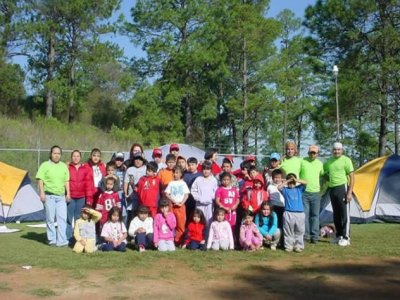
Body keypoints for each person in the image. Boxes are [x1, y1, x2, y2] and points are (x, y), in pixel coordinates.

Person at [36, 145, 70, 247]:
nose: (56, 155)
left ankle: (62, 240)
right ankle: (52, 240)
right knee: (50, 219)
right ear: (51, 154)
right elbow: (40, 179)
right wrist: (41, 193)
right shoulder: (44, 165)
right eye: (54, 153)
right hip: (49, 196)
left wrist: (68, 193)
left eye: (58, 153)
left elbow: (66, 181)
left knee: (62, 219)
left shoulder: (64, 166)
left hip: (61, 197)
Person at [324, 142, 355, 247]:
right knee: (336, 214)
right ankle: (339, 235)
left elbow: (352, 176)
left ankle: (346, 237)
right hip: (332, 189)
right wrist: (329, 180)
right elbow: (323, 173)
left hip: (342, 188)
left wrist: (349, 192)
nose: (336, 151)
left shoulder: (346, 160)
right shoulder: (329, 161)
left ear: (342, 150)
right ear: (332, 150)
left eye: (338, 149)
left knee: (344, 213)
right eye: (335, 149)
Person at [300, 145, 324, 244]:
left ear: (317, 154)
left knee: (315, 216)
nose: (312, 154)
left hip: (316, 193)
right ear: (308, 152)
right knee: (304, 215)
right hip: (304, 192)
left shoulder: (320, 163)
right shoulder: (302, 161)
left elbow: (323, 175)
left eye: (314, 152)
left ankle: (314, 237)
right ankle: (305, 236)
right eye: (311, 152)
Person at [278, 173, 307, 253]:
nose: (291, 184)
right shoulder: (286, 190)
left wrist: (295, 180)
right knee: (288, 230)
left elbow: (306, 182)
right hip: (288, 213)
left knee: (300, 230)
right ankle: (288, 246)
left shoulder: (299, 189)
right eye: (290, 182)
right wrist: (287, 181)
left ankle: (298, 246)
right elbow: (279, 187)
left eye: (293, 182)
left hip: (300, 213)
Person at [67, 150, 89, 243]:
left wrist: (87, 196)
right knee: (68, 218)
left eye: (77, 156)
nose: (76, 158)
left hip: (81, 197)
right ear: (71, 157)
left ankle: (77, 238)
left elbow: (88, 182)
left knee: (78, 218)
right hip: (71, 196)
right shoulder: (67, 167)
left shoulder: (85, 168)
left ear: (80, 157)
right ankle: (67, 237)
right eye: (74, 156)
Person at [165, 166, 190, 246]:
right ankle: (170, 238)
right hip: (172, 205)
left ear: (181, 174)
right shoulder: (171, 183)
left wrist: (181, 203)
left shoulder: (183, 183)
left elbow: (186, 194)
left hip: (180, 206)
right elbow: (167, 194)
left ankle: (179, 240)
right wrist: (173, 201)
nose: (175, 174)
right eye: (174, 173)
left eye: (177, 173)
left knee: (181, 224)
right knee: (170, 223)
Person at [191, 161, 218, 225]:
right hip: (199, 204)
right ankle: (198, 234)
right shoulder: (198, 179)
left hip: (209, 205)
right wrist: (199, 198)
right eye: (204, 169)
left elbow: (216, 192)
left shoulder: (213, 180)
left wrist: (210, 199)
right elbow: (193, 190)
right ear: (202, 170)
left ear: (211, 170)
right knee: (198, 220)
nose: (206, 171)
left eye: (208, 169)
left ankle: (207, 235)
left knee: (208, 221)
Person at [124, 151, 146, 222]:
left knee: (141, 217)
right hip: (131, 197)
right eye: (136, 159)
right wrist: (126, 194)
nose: (138, 161)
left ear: (143, 161)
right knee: (131, 218)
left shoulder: (146, 169)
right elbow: (126, 182)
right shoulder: (130, 169)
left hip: (142, 198)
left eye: (140, 159)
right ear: (133, 160)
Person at [183, 157, 201, 222]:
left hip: (197, 201)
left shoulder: (200, 175)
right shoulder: (185, 175)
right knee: (187, 218)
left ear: (197, 165)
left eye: (192, 165)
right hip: (187, 201)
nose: (191, 167)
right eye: (189, 165)